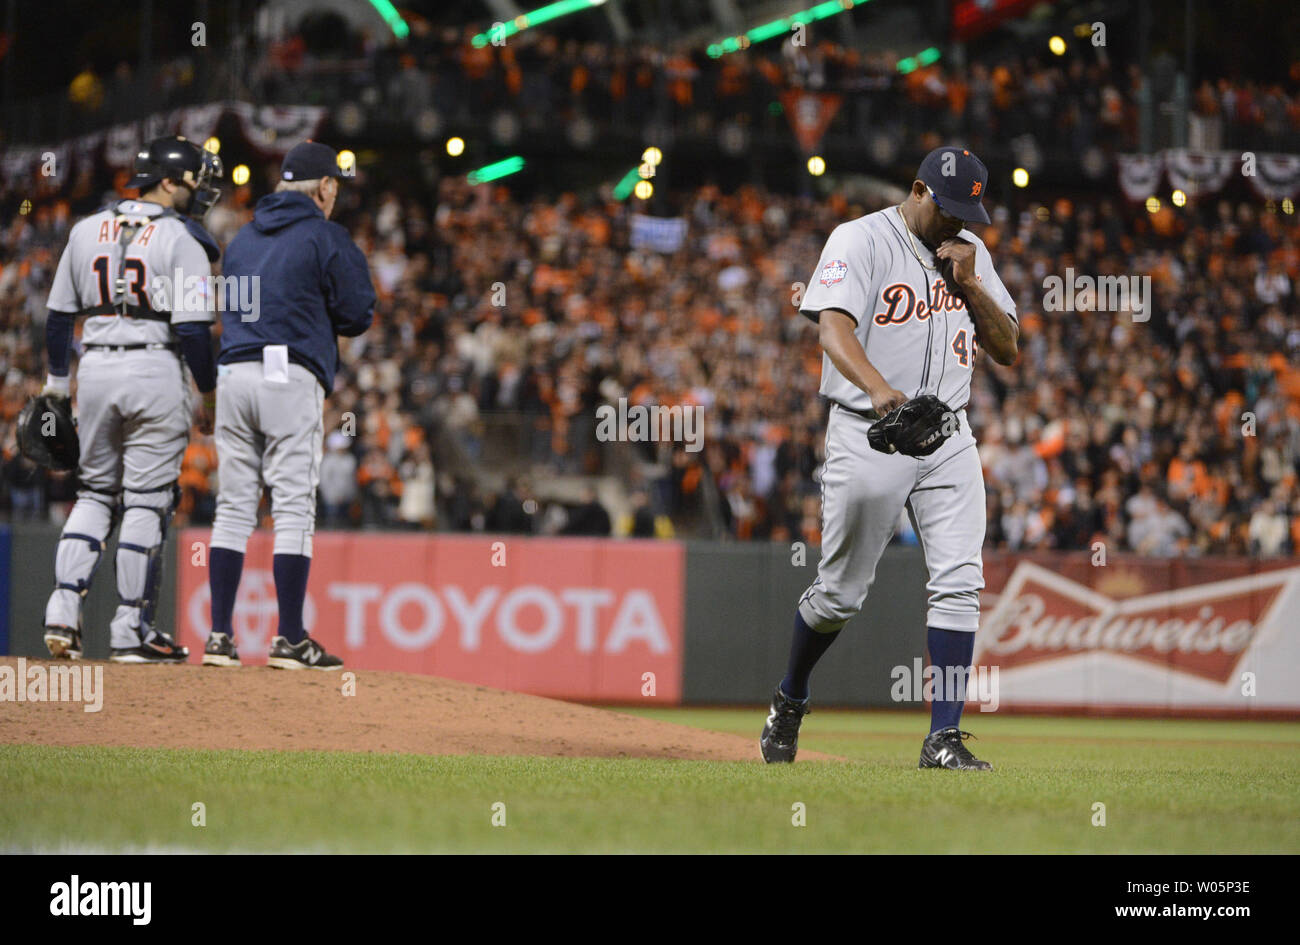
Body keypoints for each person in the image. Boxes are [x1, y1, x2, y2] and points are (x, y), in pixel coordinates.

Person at [760, 146, 1019, 769]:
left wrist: (973, 285)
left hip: (948, 435)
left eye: (969, 212)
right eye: (950, 208)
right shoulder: (860, 239)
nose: (959, 222)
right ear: (918, 190)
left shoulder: (972, 255)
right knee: (840, 595)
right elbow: (832, 327)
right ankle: (790, 697)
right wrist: (879, 391)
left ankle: (943, 739)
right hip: (868, 430)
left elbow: (1008, 347)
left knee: (961, 582)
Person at [41, 136, 222, 662]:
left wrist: (56, 386)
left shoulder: (84, 229)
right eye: (192, 180)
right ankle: (129, 629)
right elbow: (192, 331)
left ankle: (61, 611)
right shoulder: (183, 240)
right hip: (154, 366)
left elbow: (57, 318)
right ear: (167, 181)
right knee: (146, 500)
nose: (198, 191)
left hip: (94, 367)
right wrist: (206, 393)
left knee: (95, 493)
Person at [202, 141, 375, 670]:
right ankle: (291, 638)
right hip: (289, 375)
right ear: (324, 187)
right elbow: (358, 312)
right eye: (334, 188)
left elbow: (232, 308)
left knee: (233, 507)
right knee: (293, 507)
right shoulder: (325, 235)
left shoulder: (243, 238)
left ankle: (218, 638)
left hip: (232, 373)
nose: (335, 196)